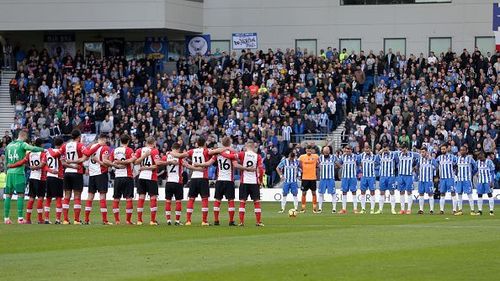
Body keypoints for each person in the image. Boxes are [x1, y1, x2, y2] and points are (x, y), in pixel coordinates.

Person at [195, 137, 253, 226]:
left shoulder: (217, 153)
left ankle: (216, 220)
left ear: (222, 143)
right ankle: (231, 221)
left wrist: (198, 164)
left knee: (217, 200)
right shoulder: (232, 153)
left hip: (220, 180)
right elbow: (236, 165)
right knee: (231, 201)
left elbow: (208, 164)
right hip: (229, 180)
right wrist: (246, 168)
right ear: (230, 143)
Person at [4, 130, 44, 224]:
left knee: (8, 195)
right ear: (24, 136)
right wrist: (43, 149)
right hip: (18, 173)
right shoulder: (22, 144)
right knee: (20, 195)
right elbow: (32, 148)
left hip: (9, 173)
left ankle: (6, 218)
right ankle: (20, 218)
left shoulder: (8, 145)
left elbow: (6, 161)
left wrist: (7, 171)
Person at [163, 143, 200, 226]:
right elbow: (186, 165)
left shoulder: (166, 156)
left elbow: (160, 163)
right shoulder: (180, 157)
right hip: (177, 182)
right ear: (178, 149)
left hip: (169, 182)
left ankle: (168, 220)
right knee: (178, 201)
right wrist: (197, 168)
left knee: (168, 201)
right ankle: (177, 221)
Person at [83, 134, 113, 225]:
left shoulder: (92, 146)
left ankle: (86, 219)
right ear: (104, 139)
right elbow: (104, 163)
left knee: (90, 197)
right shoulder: (105, 148)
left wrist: (88, 168)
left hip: (92, 175)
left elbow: (87, 158)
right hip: (101, 174)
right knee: (102, 196)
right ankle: (105, 220)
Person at [60, 130, 87, 225]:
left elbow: (62, 160)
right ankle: (76, 220)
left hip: (67, 173)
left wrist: (69, 163)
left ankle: (65, 220)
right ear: (79, 137)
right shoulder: (80, 145)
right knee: (77, 196)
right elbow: (85, 157)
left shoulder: (65, 145)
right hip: (77, 172)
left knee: (66, 196)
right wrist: (75, 162)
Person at [134, 137, 161, 225]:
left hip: (141, 177)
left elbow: (136, 162)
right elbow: (157, 164)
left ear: (146, 143)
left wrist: (143, 160)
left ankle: (139, 220)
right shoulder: (154, 151)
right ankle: (152, 220)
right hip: (151, 177)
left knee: (141, 197)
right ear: (154, 143)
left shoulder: (140, 150)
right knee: (153, 197)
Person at [110, 134, 137, 225]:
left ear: (120, 141)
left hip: (117, 177)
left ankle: (117, 220)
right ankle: (128, 220)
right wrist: (122, 162)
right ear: (128, 141)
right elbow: (131, 160)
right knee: (128, 198)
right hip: (127, 176)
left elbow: (110, 162)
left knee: (116, 198)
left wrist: (116, 164)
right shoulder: (129, 150)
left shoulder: (114, 150)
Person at [237, 140, 264, 227]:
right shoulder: (258, 156)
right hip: (254, 181)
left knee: (242, 202)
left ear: (246, 146)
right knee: (256, 202)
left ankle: (241, 222)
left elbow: (232, 157)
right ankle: (258, 222)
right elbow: (261, 169)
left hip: (244, 181)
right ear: (253, 147)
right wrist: (260, 180)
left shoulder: (242, 154)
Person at [44, 137, 64, 224]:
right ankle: (58, 219)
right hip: (57, 177)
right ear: (61, 144)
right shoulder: (60, 152)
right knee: (58, 198)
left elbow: (44, 165)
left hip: (49, 176)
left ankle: (46, 219)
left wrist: (50, 170)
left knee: (48, 198)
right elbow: (63, 163)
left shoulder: (47, 152)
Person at [395, 144, 418, 215]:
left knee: (409, 192)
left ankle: (409, 209)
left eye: (404, 149)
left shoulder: (412, 154)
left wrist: (415, 166)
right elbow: (391, 152)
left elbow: (420, 157)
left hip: (408, 176)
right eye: (402, 149)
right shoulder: (399, 154)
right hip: (401, 175)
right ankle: (402, 209)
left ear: (407, 148)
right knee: (401, 192)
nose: (403, 151)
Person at [455, 146, 477, 216]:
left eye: (463, 150)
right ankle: (460, 210)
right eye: (461, 150)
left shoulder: (470, 159)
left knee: (469, 195)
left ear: (466, 151)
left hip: (467, 180)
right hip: (459, 180)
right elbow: (456, 168)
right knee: (459, 195)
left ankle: (472, 210)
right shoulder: (457, 159)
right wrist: (457, 175)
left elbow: (476, 167)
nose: (462, 151)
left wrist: (471, 174)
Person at [436, 144, 458, 215]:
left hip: (450, 178)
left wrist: (455, 171)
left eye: (444, 149)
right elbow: (436, 165)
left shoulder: (452, 157)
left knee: (453, 193)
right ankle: (441, 210)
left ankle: (454, 209)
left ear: (447, 149)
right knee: (442, 193)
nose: (443, 150)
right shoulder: (439, 158)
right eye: (442, 149)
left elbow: (457, 163)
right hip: (442, 178)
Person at [357, 145, 379, 214]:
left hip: (371, 177)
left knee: (372, 192)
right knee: (362, 192)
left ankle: (372, 209)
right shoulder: (361, 156)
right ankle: (363, 209)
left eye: (368, 148)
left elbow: (377, 163)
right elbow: (358, 162)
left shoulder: (374, 156)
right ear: (364, 149)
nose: (367, 150)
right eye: (365, 149)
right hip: (364, 177)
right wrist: (361, 167)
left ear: (370, 149)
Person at [336, 146, 358, 214]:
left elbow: (360, 162)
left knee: (354, 192)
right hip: (345, 177)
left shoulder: (355, 156)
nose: (348, 152)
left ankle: (355, 209)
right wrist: (340, 166)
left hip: (352, 177)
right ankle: (344, 209)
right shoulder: (343, 156)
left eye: (349, 150)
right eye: (346, 151)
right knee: (344, 192)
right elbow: (337, 162)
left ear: (351, 150)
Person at [376, 146, 398, 214]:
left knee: (392, 192)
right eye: (384, 148)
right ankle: (380, 209)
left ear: (389, 148)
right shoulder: (381, 155)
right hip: (382, 176)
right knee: (382, 192)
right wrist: (379, 153)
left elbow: (397, 161)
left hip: (391, 176)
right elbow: (375, 161)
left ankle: (393, 209)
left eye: (386, 148)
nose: (385, 150)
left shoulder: (393, 154)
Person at [298, 145, 319, 213]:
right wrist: (301, 171)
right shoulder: (302, 157)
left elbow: (318, 164)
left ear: (312, 150)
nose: (309, 151)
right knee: (304, 193)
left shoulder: (315, 156)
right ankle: (303, 208)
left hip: (313, 178)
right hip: (305, 178)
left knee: (314, 193)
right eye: (308, 149)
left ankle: (314, 208)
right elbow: (299, 164)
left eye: (310, 150)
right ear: (306, 150)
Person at [417, 148, 437, 215]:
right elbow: (417, 167)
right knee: (421, 194)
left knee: (430, 194)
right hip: (421, 180)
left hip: (429, 180)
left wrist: (432, 159)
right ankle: (421, 209)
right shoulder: (420, 159)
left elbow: (436, 166)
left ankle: (431, 210)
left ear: (426, 152)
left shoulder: (431, 159)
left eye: (423, 152)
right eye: (421, 152)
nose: (422, 153)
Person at [317, 146, 337, 213]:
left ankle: (334, 208)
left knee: (333, 193)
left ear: (329, 151)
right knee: (320, 193)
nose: (326, 152)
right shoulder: (320, 158)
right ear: (323, 151)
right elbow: (317, 165)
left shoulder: (333, 157)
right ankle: (320, 208)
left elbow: (338, 164)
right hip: (322, 178)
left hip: (331, 178)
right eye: (324, 151)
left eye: (327, 151)